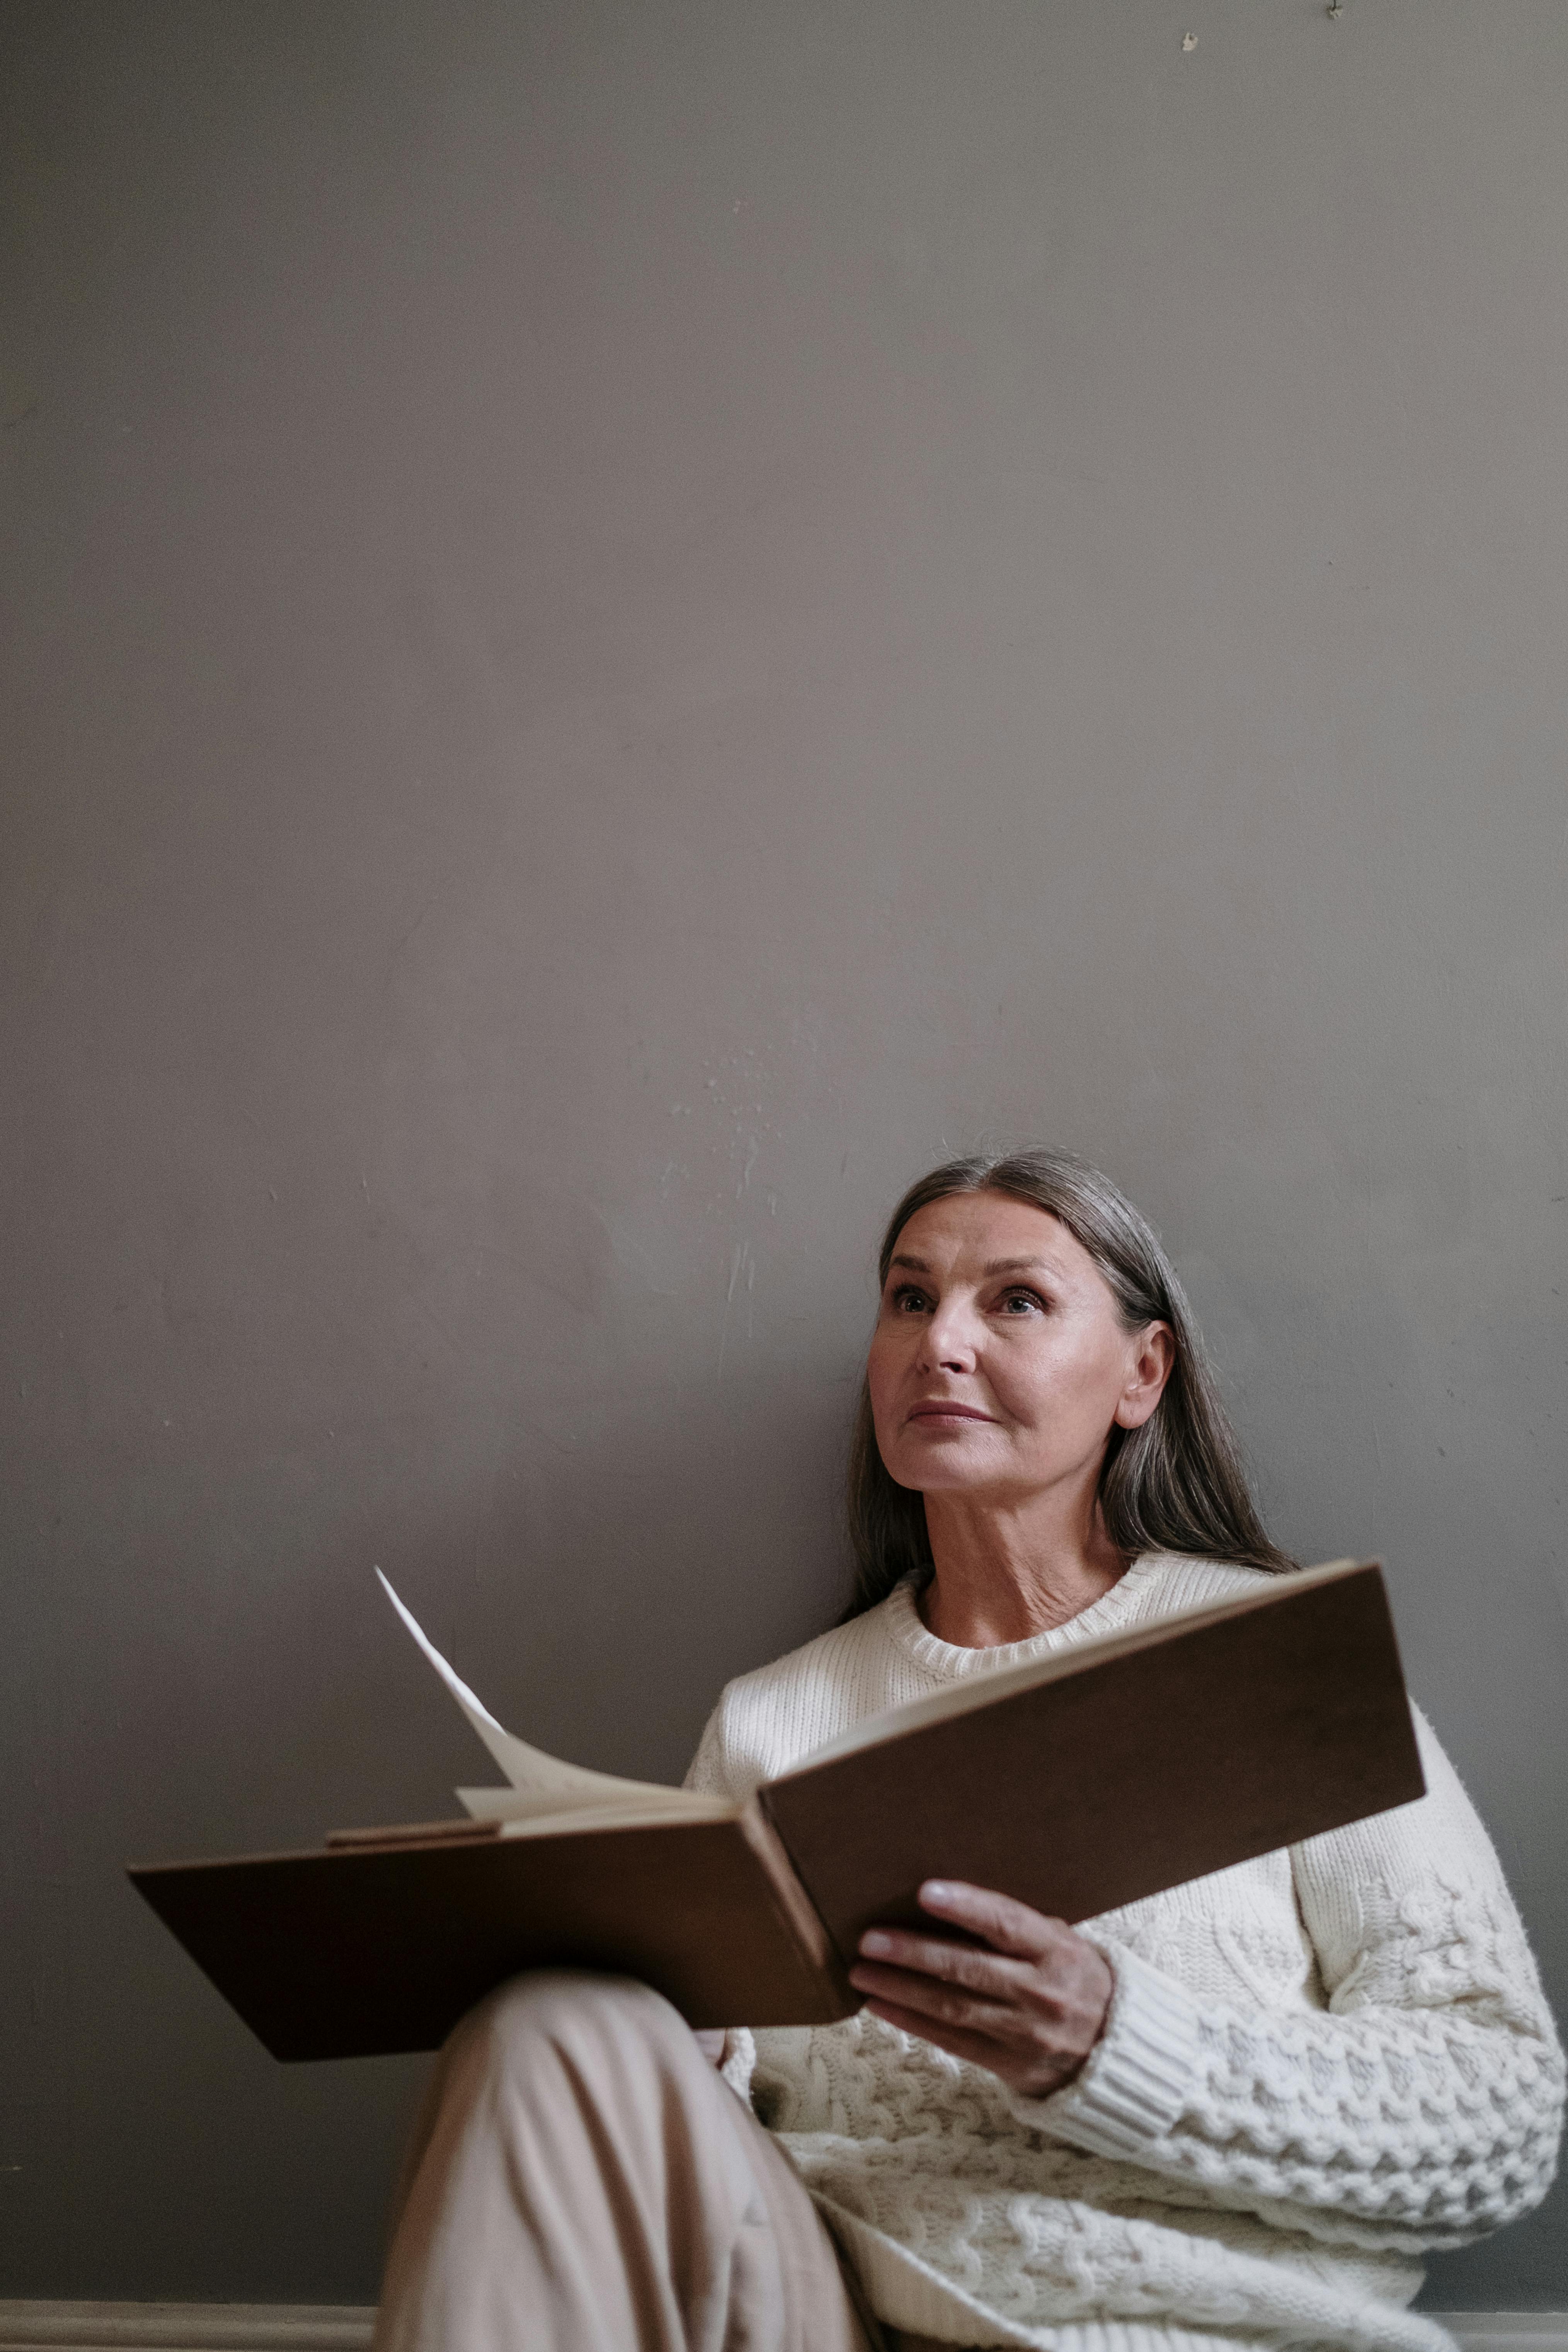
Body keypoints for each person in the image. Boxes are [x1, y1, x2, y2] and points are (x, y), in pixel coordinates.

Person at [372, 1150, 1564, 2352]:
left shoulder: (1275, 1667)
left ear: (1140, 1374)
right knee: (541, 2020)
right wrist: (699, 2053)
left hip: (1193, 2330)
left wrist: (1114, 2043)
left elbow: (1503, 2118)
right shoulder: (769, 1719)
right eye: (908, 1298)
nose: (938, 1343)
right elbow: (713, 2137)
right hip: (828, 2311)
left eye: (1015, 1301)